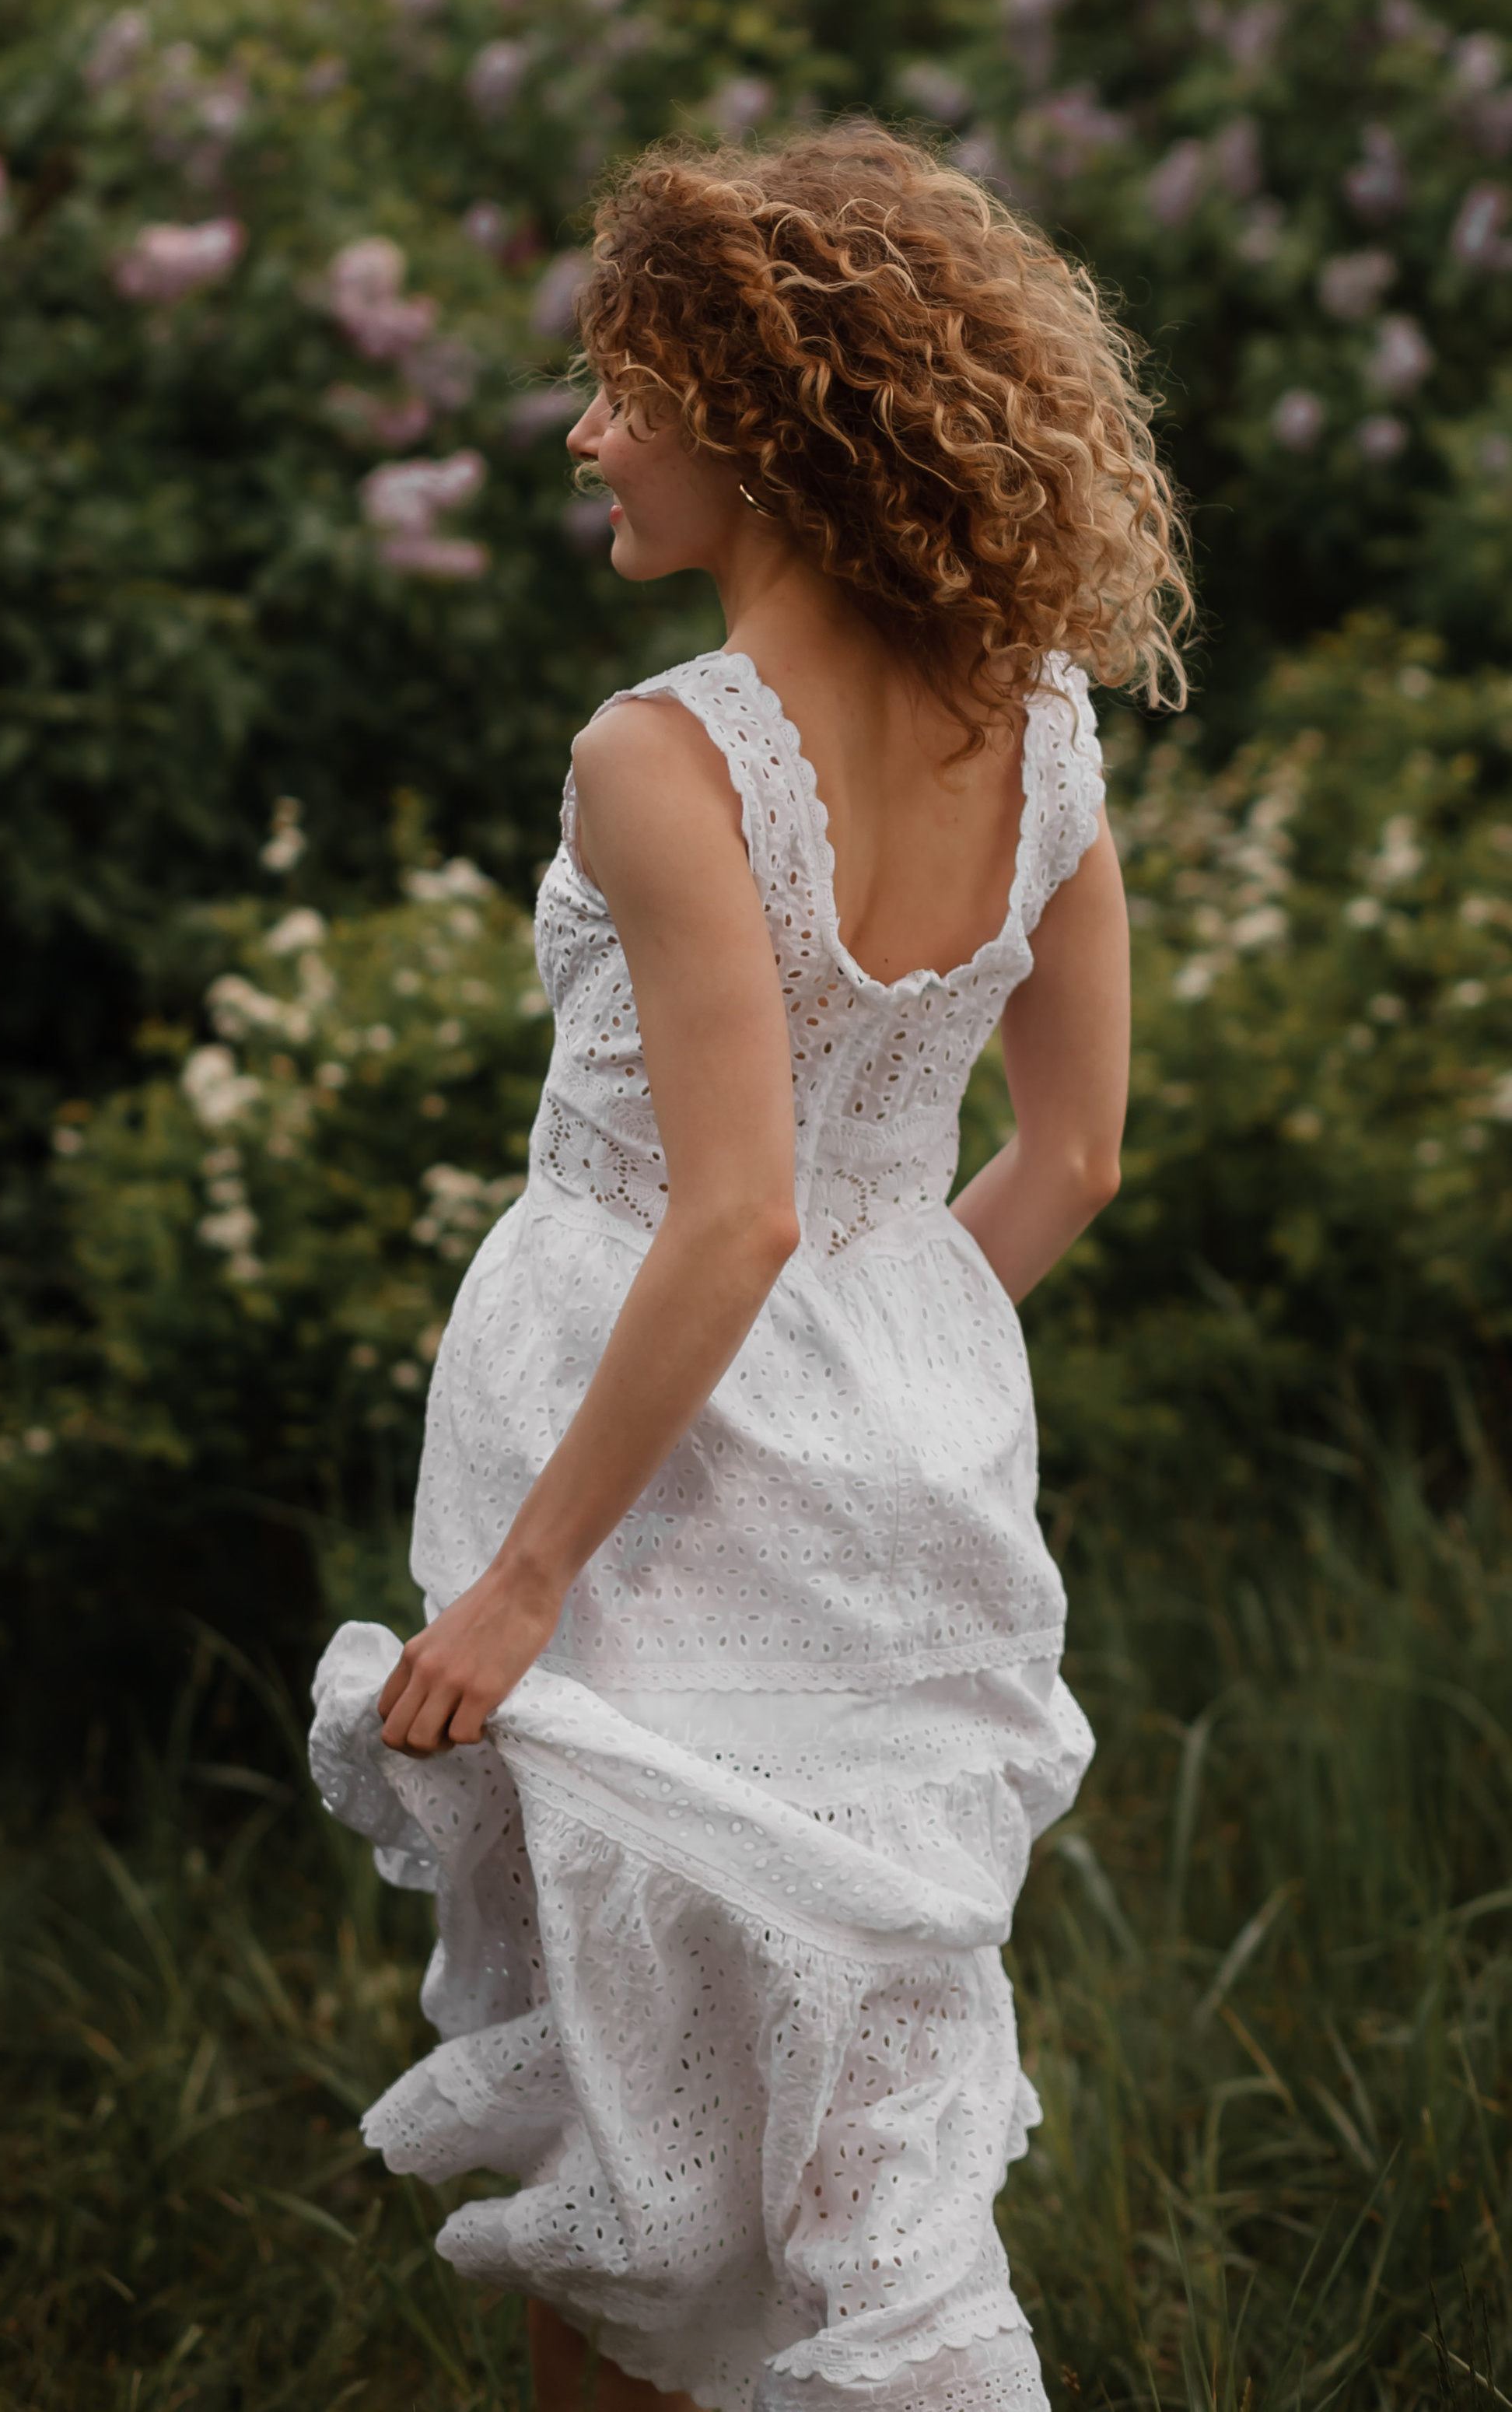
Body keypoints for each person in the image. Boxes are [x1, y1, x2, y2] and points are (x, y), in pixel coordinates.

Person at [310, 122, 1189, 2412]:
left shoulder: (659, 753)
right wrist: (889, 1380)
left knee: (638, 2102)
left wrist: (516, 1585)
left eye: (625, 386)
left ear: (759, 418)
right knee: (834, 2091)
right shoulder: (1049, 724)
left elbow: (733, 1210)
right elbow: (1073, 1154)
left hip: (635, 1481)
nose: (589, 434)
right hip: (898, 1478)